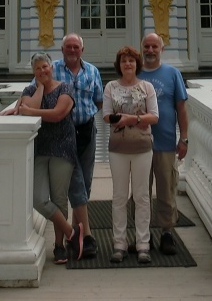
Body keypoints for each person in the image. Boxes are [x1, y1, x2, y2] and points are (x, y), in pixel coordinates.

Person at [12, 52, 78, 265]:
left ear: (52, 67)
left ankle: (59, 246)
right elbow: (29, 107)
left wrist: (30, 111)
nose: (43, 71)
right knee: (38, 198)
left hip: (63, 148)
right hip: (40, 149)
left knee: (59, 198)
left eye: (45, 67)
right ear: (33, 72)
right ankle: (71, 232)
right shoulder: (30, 90)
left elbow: (58, 113)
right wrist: (39, 88)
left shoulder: (65, 88)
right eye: (38, 68)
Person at [102, 45, 158, 264]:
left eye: (131, 61)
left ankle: (143, 243)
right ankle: (120, 243)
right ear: (119, 65)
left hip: (142, 147)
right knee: (119, 196)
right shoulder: (111, 87)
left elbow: (154, 116)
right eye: (124, 61)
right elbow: (107, 115)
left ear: (137, 64)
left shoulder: (147, 87)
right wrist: (131, 118)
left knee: (142, 196)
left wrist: (129, 119)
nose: (128, 64)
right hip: (118, 148)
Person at [52, 33, 102, 260]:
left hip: (87, 131)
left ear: (82, 50)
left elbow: (99, 100)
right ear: (62, 50)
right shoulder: (51, 69)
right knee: (77, 181)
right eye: (68, 47)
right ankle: (88, 236)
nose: (72, 50)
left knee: (86, 182)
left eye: (76, 47)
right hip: (64, 133)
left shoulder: (92, 71)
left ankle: (75, 235)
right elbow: (34, 90)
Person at [138, 32, 188, 256]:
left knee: (166, 190)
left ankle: (167, 232)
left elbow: (181, 108)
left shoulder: (172, 73)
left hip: (166, 142)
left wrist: (183, 137)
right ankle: (142, 233)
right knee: (141, 191)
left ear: (161, 49)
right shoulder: (134, 73)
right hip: (138, 144)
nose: (150, 51)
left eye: (154, 47)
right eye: (146, 46)